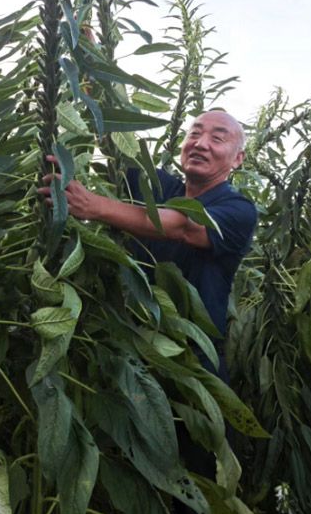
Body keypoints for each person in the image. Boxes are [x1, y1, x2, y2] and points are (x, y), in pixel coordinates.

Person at [39, 109, 257, 379]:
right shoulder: (157, 186)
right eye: (195, 133)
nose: (201, 143)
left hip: (190, 361)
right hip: (129, 348)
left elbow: (182, 226)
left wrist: (95, 206)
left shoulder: (239, 210)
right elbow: (115, 144)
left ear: (238, 158)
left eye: (217, 138)